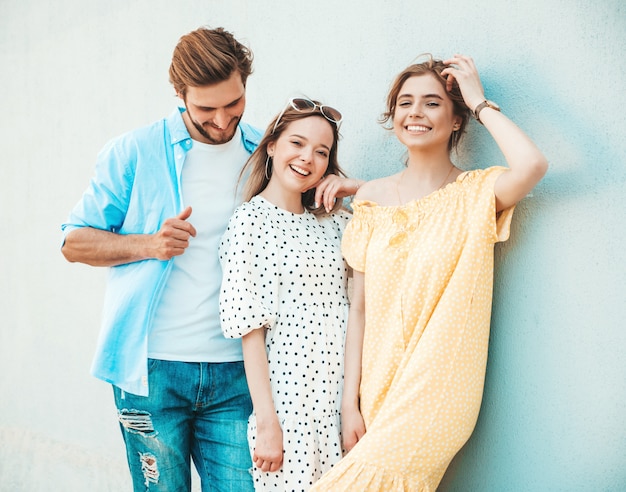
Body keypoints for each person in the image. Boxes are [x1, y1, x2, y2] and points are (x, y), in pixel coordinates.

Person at [61, 26, 355, 491]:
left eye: (233, 103)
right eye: (205, 108)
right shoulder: (134, 151)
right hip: (152, 371)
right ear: (179, 94)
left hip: (237, 376)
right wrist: (147, 244)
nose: (222, 119)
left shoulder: (265, 153)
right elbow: (72, 242)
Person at [310, 55, 548, 491]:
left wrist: (477, 100)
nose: (415, 112)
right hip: (379, 387)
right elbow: (358, 310)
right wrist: (350, 405)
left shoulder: (475, 194)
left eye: (433, 103)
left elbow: (532, 165)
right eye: (405, 102)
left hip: (440, 389)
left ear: (457, 120)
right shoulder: (369, 200)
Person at [219, 98, 357, 492]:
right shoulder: (249, 221)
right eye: (297, 143)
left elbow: (406, 205)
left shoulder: (337, 224)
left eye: (321, 152)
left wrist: (355, 187)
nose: (307, 158)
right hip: (289, 406)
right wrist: (267, 424)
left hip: (343, 403)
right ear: (273, 145)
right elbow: (251, 333)